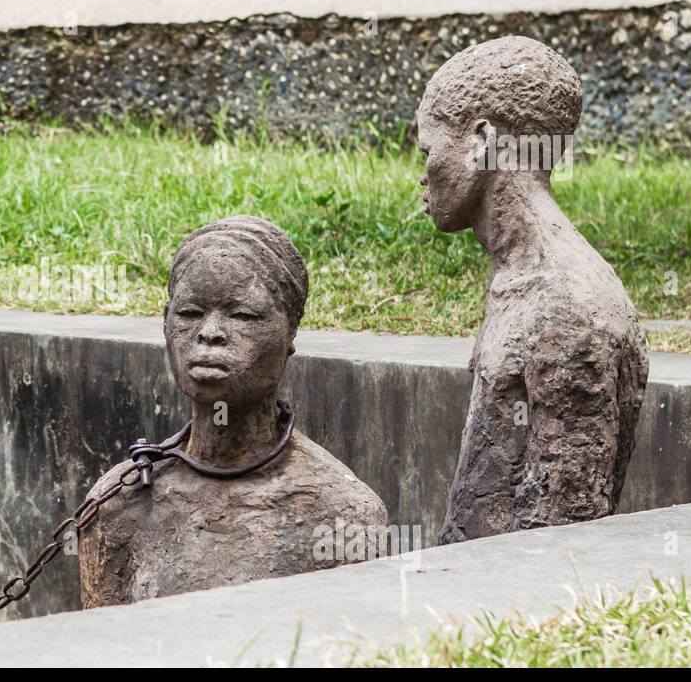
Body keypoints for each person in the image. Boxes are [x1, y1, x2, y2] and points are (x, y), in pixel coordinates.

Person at [78, 215, 389, 607]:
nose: (209, 332)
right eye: (190, 313)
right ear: (165, 321)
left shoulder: (344, 515)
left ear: (290, 333)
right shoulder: (119, 503)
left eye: (242, 315)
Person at [416, 36, 649, 543]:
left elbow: (559, 535)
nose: (421, 177)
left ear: (481, 141)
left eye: (429, 151)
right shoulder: (519, 279)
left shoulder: (564, 307)